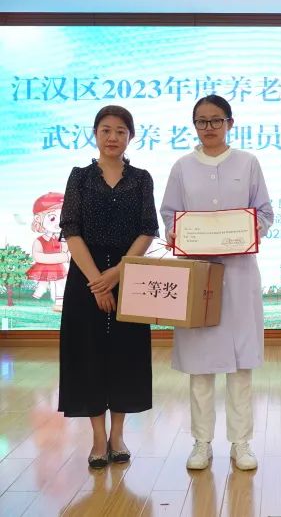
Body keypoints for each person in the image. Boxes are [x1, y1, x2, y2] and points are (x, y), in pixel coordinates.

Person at [160, 94, 273, 472]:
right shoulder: (182, 167)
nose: (208, 128)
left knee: (240, 367)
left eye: (216, 120)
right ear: (194, 125)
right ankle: (201, 443)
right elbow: (170, 215)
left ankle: (241, 443)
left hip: (239, 274)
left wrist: (247, 233)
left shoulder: (248, 163)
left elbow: (264, 212)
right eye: (201, 121)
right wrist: (176, 234)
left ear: (230, 123)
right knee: (200, 365)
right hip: (199, 276)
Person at [58, 105, 159, 469]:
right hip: (85, 274)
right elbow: (71, 229)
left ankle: (118, 435)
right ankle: (98, 438)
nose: (113, 137)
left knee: (125, 354)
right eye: (106, 130)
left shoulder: (141, 179)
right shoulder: (80, 177)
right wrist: (98, 284)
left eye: (120, 131)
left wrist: (118, 273)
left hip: (128, 273)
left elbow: (148, 229)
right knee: (87, 353)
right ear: (95, 134)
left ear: (131, 136)